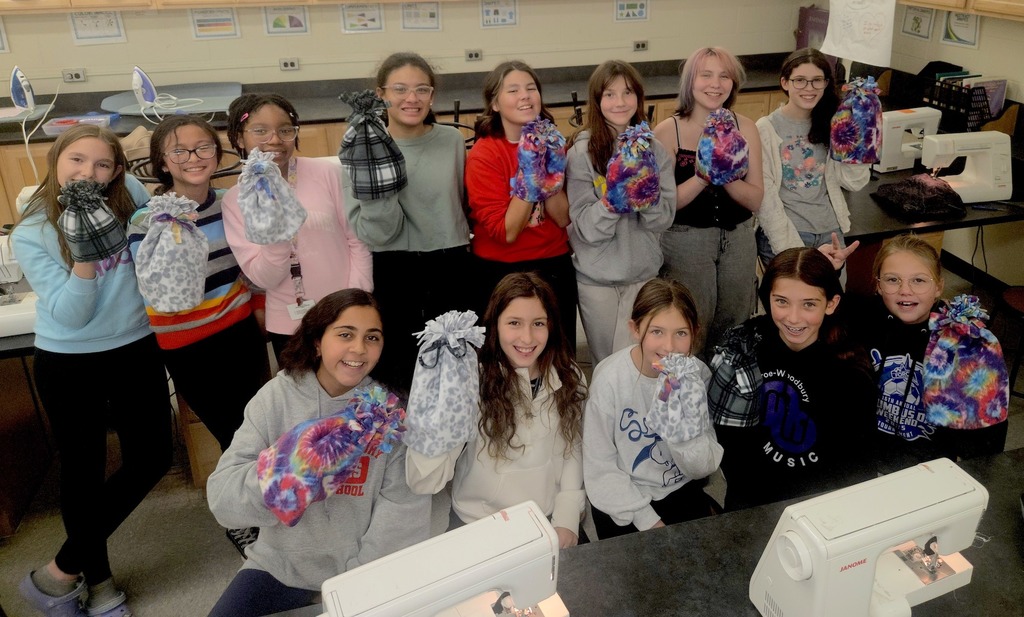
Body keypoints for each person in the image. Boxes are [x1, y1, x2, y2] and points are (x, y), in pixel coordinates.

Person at [11, 125, 171, 617]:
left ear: (117, 171)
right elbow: (72, 314)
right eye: (77, 160)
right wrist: (86, 259)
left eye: (102, 165)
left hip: (136, 347)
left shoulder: (130, 196)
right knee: (82, 473)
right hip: (69, 361)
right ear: (56, 160)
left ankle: (58, 572)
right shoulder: (33, 231)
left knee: (152, 458)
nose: (88, 173)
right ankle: (99, 584)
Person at [206, 289, 430, 617]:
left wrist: (354, 584)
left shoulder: (386, 411)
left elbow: (403, 511)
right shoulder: (275, 398)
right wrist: (287, 473)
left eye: (372, 337)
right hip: (279, 566)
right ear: (316, 341)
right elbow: (222, 501)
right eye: (344, 334)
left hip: (362, 570)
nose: (358, 348)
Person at [405, 272, 588, 547]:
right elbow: (423, 482)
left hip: (545, 521)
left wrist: (567, 518)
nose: (527, 337)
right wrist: (436, 414)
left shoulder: (570, 376)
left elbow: (572, 450)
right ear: (495, 324)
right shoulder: (472, 378)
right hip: (476, 524)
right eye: (514, 323)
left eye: (538, 323)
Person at [127, 115, 267, 452]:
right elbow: (155, 287)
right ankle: (244, 501)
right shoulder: (147, 219)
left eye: (203, 147)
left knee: (261, 429)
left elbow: (255, 263)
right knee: (233, 439)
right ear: (162, 162)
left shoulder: (231, 203)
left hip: (240, 333)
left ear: (217, 155)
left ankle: (272, 499)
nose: (193, 158)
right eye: (179, 151)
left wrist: (260, 309)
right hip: (188, 346)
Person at [709, 247, 876, 511]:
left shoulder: (850, 368)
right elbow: (727, 441)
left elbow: (857, 463)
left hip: (819, 508)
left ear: (831, 304)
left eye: (809, 304)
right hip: (751, 502)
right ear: (768, 298)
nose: (794, 318)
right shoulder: (743, 349)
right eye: (782, 301)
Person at [345, 52, 472, 394]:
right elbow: (376, 232)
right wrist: (380, 169)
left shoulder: (451, 142)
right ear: (381, 93)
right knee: (401, 371)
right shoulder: (362, 146)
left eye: (422, 89)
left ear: (433, 96)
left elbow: (462, 204)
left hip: (451, 263)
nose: (411, 98)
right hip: (393, 268)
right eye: (400, 89)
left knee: (456, 366)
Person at [222, 93, 373, 361]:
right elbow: (263, 278)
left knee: (359, 397)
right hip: (289, 323)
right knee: (304, 398)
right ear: (238, 138)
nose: (275, 139)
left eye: (285, 130)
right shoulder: (235, 199)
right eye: (260, 131)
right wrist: (277, 235)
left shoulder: (327, 173)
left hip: (347, 312)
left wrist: (356, 300)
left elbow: (357, 240)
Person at [852, 235, 1009, 474]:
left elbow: (987, 435)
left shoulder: (963, 341)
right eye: (892, 280)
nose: (905, 291)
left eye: (919, 280)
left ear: (938, 287)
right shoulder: (863, 319)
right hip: (866, 461)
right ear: (878, 284)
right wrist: (829, 273)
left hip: (929, 469)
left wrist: (976, 475)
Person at [583, 278, 723, 538]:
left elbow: (701, 468)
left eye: (681, 333)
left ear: (695, 332)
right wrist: (649, 521)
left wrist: (681, 424)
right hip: (623, 499)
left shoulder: (696, 375)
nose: (669, 346)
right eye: (656, 331)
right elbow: (600, 467)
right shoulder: (610, 379)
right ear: (635, 330)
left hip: (677, 488)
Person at [653, 47, 764, 358]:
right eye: (706, 75)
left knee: (734, 326)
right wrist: (703, 176)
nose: (715, 84)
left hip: (739, 239)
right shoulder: (667, 131)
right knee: (691, 325)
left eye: (724, 76)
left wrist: (726, 175)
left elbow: (756, 197)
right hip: (685, 241)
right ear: (691, 81)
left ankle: (728, 397)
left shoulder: (746, 128)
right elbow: (663, 206)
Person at [566, 60, 676, 364]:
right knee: (607, 365)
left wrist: (645, 193)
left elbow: (664, 219)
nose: (620, 102)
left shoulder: (655, 151)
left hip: (643, 275)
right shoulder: (581, 154)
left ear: (639, 98)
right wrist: (613, 200)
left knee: (644, 360)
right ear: (597, 101)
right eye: (610, 94)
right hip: (597, 280)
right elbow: (586, 228)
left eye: (627, 93)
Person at [466, 60, 577, 349]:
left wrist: (548, 167)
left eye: (531, 88)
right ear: (495, 104)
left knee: (557, 354)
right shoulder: (485, 154)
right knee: (510, 357)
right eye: (513, 90)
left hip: (553, 265)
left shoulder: (551, 142)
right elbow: (506, 233)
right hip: (501, 272)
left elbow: (562, 218)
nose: (525, 95)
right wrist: (530, 174)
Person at [755, 48, 871, 266]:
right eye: (799, 80)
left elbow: (853, 183)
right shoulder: (766, 128)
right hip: (788, 233)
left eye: (817, 80)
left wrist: (859, 145)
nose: (809, 88)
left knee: (832, 298)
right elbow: (766, 198)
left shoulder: (834, 123)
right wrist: (789, 249)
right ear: (785, 83)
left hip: (831, 232)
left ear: (826, 84)